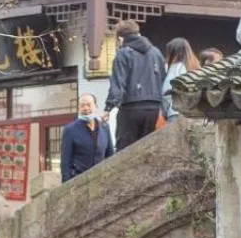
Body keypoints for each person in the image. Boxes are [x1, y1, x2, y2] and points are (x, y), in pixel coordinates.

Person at [104, 21, 165, 152]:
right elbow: (163, 80)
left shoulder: (123, 53)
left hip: (131, 107)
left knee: (125, 150)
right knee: (147, 149)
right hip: (153, 107)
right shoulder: (156, 52)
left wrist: (108, 108)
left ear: (121, 38)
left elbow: (118, 83)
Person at [60, 93, 112, 181]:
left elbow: (110, 155)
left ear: (96, 106)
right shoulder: (70, 130)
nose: (86, 108)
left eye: (88, 105)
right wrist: (66, 183)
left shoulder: (104, 127)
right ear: (79, 108)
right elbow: (65, 161)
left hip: (102, 178)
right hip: (79, 180)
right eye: (82, 105)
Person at [162, 38, 201, 121]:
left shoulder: (175, 68)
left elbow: (167, 91)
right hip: (195, 113)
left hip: (176, 112)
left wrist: (165, 109)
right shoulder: (196, 67)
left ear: (172, 53)